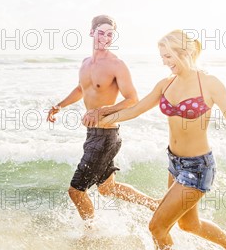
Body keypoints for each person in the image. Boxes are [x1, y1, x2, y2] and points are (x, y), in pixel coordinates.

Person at [89, 29, 226, 250]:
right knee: (189, 225)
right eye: (162, 57)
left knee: (157, 227)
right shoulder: (165, 84)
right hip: (175, 164)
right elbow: (135, 109)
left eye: (168, 57)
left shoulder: (209, 83)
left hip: (198, 167)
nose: (165, 63)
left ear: (185, 52)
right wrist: (102, 120)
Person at [47, 15, 159, 221]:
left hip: (106, 135)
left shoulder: (117, 65)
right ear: (91, 32)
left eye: (110, 35)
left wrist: (101, 111)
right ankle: (155, 205)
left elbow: (132, 99)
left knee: (76, 191)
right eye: (101, 33)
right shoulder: (85, 63)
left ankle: (92, 235)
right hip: (94, 135)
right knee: (108, 188)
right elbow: (81, 89)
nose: (105, 38)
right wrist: (59, 106)